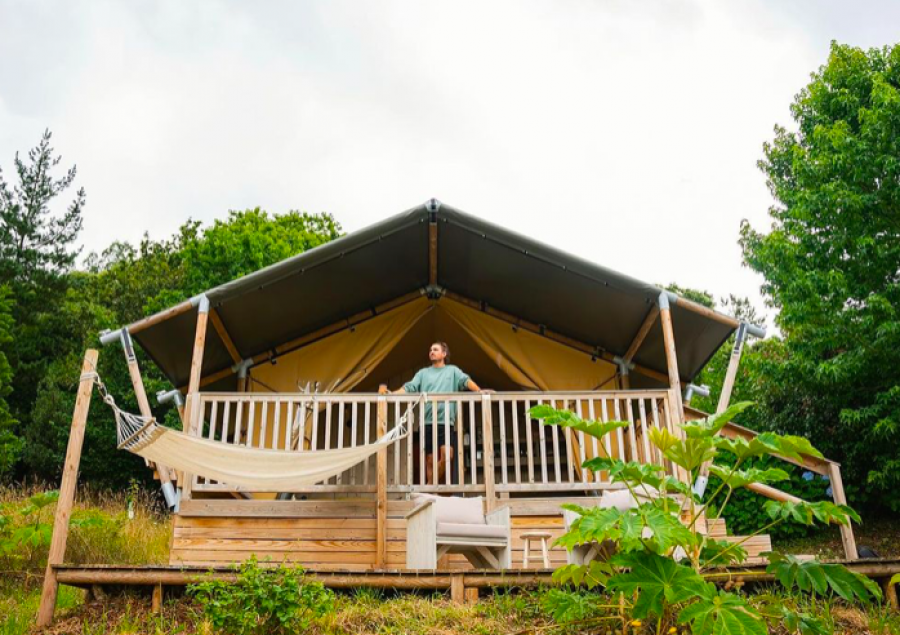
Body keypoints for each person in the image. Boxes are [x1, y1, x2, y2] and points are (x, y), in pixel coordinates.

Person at [381, 342, 486, 484]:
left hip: (446, 421)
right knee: (430, 460)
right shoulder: (423, 373)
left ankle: (430, 485)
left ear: (444, 354)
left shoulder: (452, 371)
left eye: (435, 349)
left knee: (447, 456)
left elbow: (465, 381)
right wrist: (392, 394)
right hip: (427, 421)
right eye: (430, 349)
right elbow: (410, 387)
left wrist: (479, 391)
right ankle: (432, 493)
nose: (431, 351)